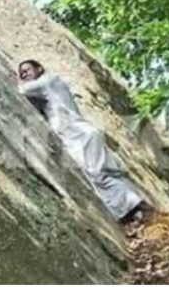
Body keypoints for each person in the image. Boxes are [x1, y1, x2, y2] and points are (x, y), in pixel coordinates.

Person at [18, 59, 149, 223]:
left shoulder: (46, 81)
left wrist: (16, 80)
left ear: (39, 69)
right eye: (21, 72)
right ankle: (129, 212)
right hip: (82, 133)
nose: (23, 74)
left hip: (78, 136)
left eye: (27, 70)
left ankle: (138, 207)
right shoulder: (53, 85)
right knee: (99, 173)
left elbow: (21, 90)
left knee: (97, 174)